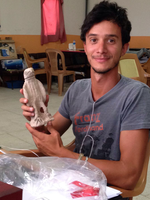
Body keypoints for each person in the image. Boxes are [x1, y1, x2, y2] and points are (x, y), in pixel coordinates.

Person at [20, 0, 150, 197]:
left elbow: (129, 176)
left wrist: (63, 155)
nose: (101, 49)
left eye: (111, 40)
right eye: (94, 40)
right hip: (69, 185)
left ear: (124, 48)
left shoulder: (136, 95)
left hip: (109, 192)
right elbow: (48, 139)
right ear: (85, 46)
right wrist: (38, 114)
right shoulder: (77, 89)